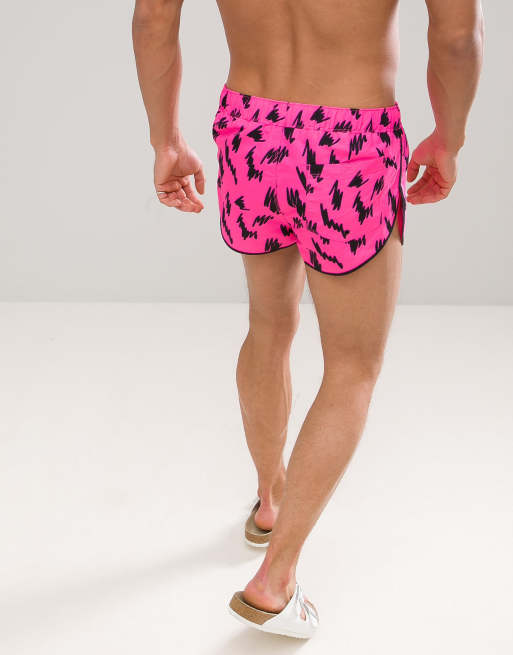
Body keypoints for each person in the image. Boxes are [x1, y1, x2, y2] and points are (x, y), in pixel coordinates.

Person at [132, 0, 484, 639]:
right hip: (353, 139)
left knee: (269, 325)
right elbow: (458, 36)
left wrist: (166, 140)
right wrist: (449, 138)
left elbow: (154, 16)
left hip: (251, 126)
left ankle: (270, 500)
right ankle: (276, 579)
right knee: (352, 368)